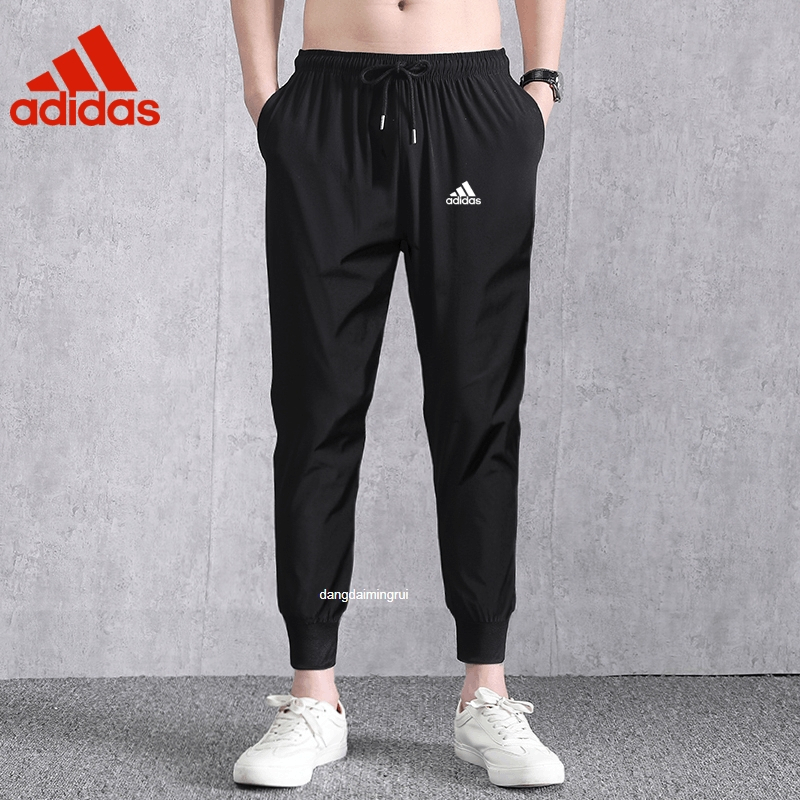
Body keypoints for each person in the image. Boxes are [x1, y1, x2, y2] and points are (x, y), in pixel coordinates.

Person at [228, 0, 566, 788]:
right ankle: (314, 695)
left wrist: (540, 85)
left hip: (473, 109)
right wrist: (262, 94)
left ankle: (486, 691)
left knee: (477, 408)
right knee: (316, 407)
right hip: (329, 107)